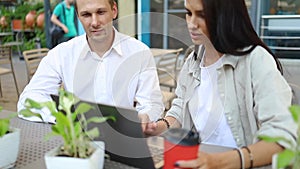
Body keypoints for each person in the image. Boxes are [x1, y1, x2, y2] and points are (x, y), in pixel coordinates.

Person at [145, 0, 297, 168]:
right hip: (195, 161)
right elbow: (180, 109)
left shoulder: (256, 60)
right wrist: (158, 127)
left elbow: (282, 137)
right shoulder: (192, 61)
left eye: (202, 15)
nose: (191, 24)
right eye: (188, 13)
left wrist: (216, 162)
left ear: (225, 16)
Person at [17, 0, 164, 130]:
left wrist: (145, 116)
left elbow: (153, 103)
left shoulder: (139, 52)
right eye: (86, 15)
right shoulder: (62, 54)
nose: (94, 22)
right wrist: (64, 118)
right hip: (76, 141)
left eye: (100, 12)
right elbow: (28, 100)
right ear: (78, 16)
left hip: (123, 140)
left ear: (114, 11)